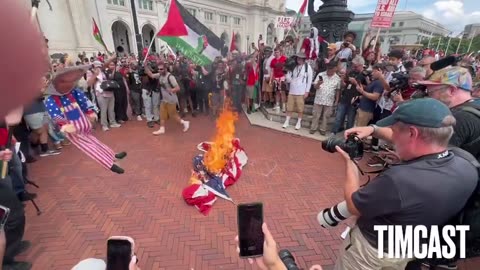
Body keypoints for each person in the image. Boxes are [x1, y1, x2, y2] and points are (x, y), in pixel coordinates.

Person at [336, 98, 478, 270]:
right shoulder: (467, 162)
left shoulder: (399, 179)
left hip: (372, 251)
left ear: (412, 133)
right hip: (411, 247)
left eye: (394, 131)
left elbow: (352, 205)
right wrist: (372, 129)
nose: (393, 138)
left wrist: (350, 163)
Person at [44, 66, 127, 174]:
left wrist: (89, 111)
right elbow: (55, 114)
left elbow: (84, 101)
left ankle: (112, 155)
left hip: (83, 122)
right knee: (89, 148)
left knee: (95, 141)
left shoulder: (72, 92)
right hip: (72, 129)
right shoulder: (50, 100)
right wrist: (64, 124)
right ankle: (109, 164)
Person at [420, 66, 480, 160]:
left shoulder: (457, 118)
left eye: (431, 92)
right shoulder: (475, 106)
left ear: (452, 90)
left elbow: (431, 160)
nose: (429, 97)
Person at [146, 63, 190, 135]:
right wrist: (145, 66)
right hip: (164, 99)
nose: (159, 70)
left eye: (161, 69)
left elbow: (178, 88)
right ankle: (162, 129)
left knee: (174, 115)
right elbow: (151, 75)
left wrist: (171, 90)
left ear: (165, 69)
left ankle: (185, 122)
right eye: (159, 69)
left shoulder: (170, 77)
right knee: (162, 114)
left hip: (171, 100)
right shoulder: (160, 75)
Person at [283, 52, 313, 130]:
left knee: (300, 108)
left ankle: (299, 122)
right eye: (297, 58)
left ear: (303, 59)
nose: (298, 59)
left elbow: (309, 80)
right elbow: (289, 80)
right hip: (292, 90)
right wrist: (286, 73)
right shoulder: (293, 66)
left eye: (300, 58)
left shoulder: (307, 67)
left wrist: (307, 91)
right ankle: (287, 121)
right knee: (289, 107)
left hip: (301, 91)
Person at [310, 61, 341, 135]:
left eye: (331, 69)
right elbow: (315, 87)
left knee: (326, 117)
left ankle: (323, 129)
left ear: (335, 69)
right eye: (328, 68)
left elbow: (338, 90)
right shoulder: (321, 74)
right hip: (319, 99)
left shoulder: (337, 78)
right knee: (316, 115)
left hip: (329, 100)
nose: (329, 70)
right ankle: (313, 128)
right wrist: (318, 83)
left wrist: (336, 101)